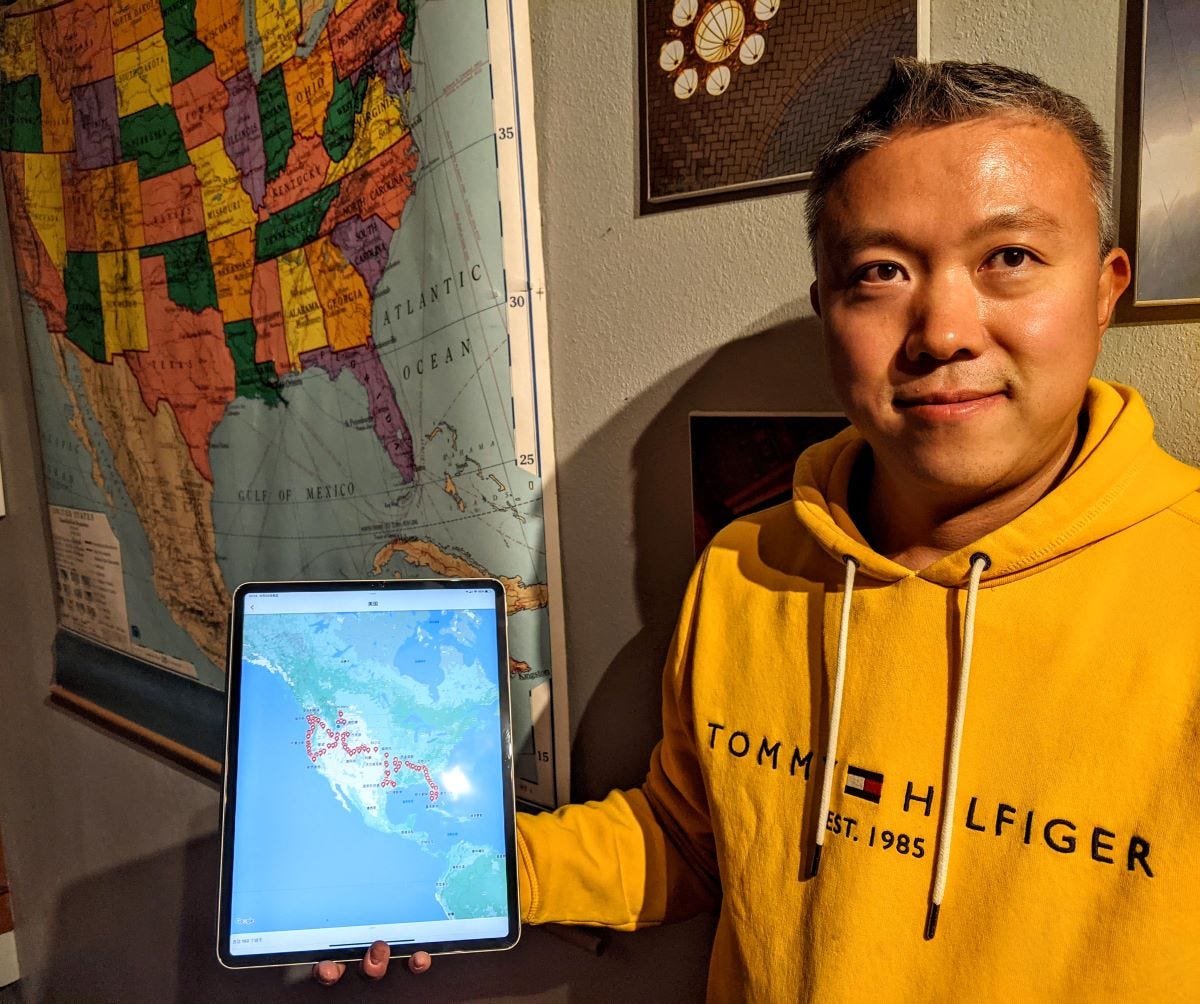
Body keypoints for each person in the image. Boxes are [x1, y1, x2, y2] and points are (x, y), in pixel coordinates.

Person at [318, 59, 1200, 996]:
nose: (943, 329)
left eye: (1010, 258)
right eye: (881, 272)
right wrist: (435, 873)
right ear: (829, 310)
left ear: (1106, 289)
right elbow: (692, 841)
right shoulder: (747, 565)